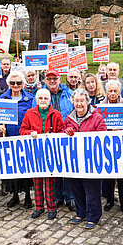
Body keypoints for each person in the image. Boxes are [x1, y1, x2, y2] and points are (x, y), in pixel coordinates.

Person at [64, 89, 107, 229]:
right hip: (74, 161)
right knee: (76, 188)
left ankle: (93, 216)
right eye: (76, 101)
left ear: (87, 102)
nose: (79, 104)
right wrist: (66, 132)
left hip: (91, 160)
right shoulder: (69, 118)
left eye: (82, 101)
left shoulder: (97, 118)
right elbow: (63, 134)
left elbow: (102, 137)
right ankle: (80, 213)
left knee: (92, 190)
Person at [20, 88, 64, 220]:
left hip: (50, 151)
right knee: (37, 180)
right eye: (40, 98)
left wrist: (53, 136)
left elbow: (61, 131)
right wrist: (30, 133)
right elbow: (22, 130)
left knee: (50, 180)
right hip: (35, 151)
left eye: (46, 98)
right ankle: (39, 206)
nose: (43, 100)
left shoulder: (56, 114)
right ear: (36, 100)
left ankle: (52, 207)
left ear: (50, 100)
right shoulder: (29, 113)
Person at [35, 69, 75, 210]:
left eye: (55, 78)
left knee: (68, 167)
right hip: (48, 137)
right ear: (46, 80)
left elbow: (74, 112)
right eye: (49, 78)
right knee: (55, 167)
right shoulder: (41, 95)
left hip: (66, 134)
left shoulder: (69, 94)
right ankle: (58, 196)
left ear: (60, 79)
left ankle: (70, 197)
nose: (52, 81)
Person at [0, 71, 34, 208]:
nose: (16, 85)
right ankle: (15, 195)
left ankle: (28, 196)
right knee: (12, 169)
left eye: (18, 82)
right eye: (13, 83)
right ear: (8, 84)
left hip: (25, 138)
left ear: (23, 84)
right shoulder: (2, 99)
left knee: (26, 168)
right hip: (9, 138)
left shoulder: (30, 99)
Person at [101, 80, 123, 214]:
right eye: (110, 91)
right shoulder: (100, 107)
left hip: (121, 145)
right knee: (109, 175)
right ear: (106, 92)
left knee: (122, 176)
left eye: (115, 91)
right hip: (106, 145)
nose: (112, 93)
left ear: (119, 92)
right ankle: (110, 200)